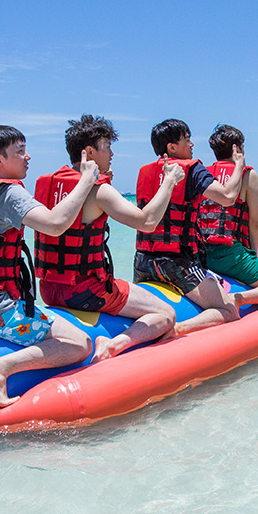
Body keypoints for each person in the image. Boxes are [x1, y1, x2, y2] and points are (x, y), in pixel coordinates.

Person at [0, 125, 100, 407]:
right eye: (20, 151)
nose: (28, 157)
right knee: (80, 343)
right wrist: (86, 180)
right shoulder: (8, 194)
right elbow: (54, 225)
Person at [34, 114, 186, 361]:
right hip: (85, 291)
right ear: (90, 153)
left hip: (50, 290)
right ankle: (113, 345)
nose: (112, 154)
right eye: (107, 147)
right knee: (165, 314)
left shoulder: (50, 185)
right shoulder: (99, 191)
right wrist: (168, 182)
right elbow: (146, 222)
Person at [133, 118, 246, 335]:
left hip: (143, 262)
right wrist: (238, 166)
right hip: (176, 262)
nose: (192, 144)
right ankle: (176, 329)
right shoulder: (192, 170)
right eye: (187, 140)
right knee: (229, 310)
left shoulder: (145, 172)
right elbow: (228, 197)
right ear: (172, 147)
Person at [198, 124, 258, 308]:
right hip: (229, 255)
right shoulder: (248, 175)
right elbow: (254, 222)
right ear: (238, 148)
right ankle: (236, 299)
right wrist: (254, 255)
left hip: (201, 255)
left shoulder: (202, 174)